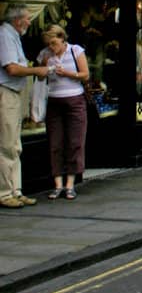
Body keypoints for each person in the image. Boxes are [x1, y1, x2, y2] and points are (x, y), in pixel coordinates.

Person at [0, 4, 50, 207]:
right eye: (28, 18)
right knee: (7, 144)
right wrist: (36, 71)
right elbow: (11, 68)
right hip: (6, 92)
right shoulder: (4, 35)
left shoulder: (12, 35)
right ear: (18, 19)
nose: (30, 22)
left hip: (14, 92)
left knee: (14, 144)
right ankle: (4, 193)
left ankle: (16, 189)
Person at [37, 25, 90, 199]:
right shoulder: (46, 54)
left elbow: (85, 75)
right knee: (55, 143)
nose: (52, 47)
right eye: (48, 44)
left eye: (54, 43)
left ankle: (70, 184)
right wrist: (44, 68)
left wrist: (66, 73)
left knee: (75, 141)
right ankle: (58, 183)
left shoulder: (75, 50)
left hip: (75, 99)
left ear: (62, 38)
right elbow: (39, 77)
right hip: (54, 100)